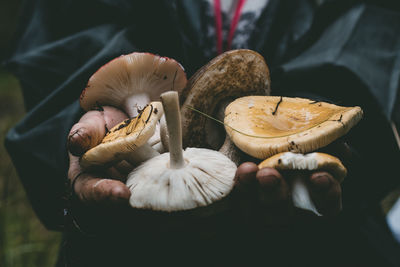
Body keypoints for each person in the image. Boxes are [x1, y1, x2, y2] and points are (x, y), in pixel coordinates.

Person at [4, 0, 400, 266]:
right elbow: (61, 42)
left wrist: (301, 126)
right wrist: (86, 129)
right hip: (127, 248)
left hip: (321, 247)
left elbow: (366, 48)